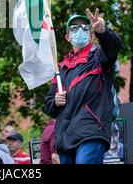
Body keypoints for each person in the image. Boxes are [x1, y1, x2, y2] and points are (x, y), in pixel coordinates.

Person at [44, 9, 122, 164]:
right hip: (65, 139)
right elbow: (48, 105)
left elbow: (113, 47)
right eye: (74, 28)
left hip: (91, 132)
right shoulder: (61, 69)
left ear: (91, 35)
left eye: (85, 28)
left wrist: (103, 32)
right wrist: (55, 102)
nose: (79, 31)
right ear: (67, 36)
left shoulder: (98, 58)